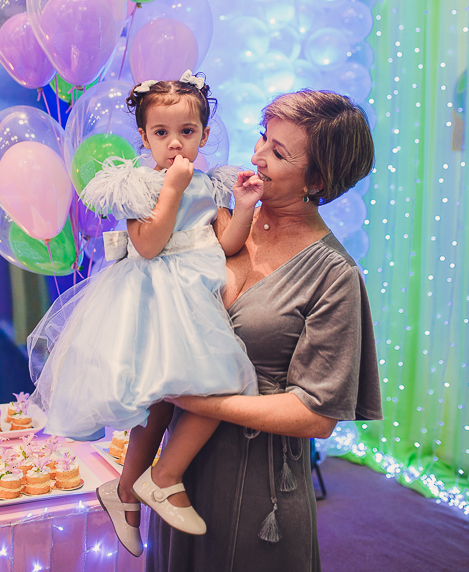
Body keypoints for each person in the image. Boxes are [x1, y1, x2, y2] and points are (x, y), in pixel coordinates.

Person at [146, 89, 383, 572]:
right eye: (262, 138)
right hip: (177, 477)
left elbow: (316, 414)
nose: (256, 157)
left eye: (278, 152)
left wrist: (196, 401)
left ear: (317, 178)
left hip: (256, 484)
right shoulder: (223, 212)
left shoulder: (334, 275)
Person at [27, 70, 261, 557]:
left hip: (196, 299)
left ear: (206, 135)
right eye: (161, 133)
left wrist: (242, 207)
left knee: (195, 391)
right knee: (164, 397)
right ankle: (161, 479)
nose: (175, 144)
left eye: (187, 132)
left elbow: (227, 243)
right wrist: (172, 188)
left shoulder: (211, 182)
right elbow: (149, 246)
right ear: (143, 136)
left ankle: (130, 488)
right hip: (152, 302)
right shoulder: (136, 183)